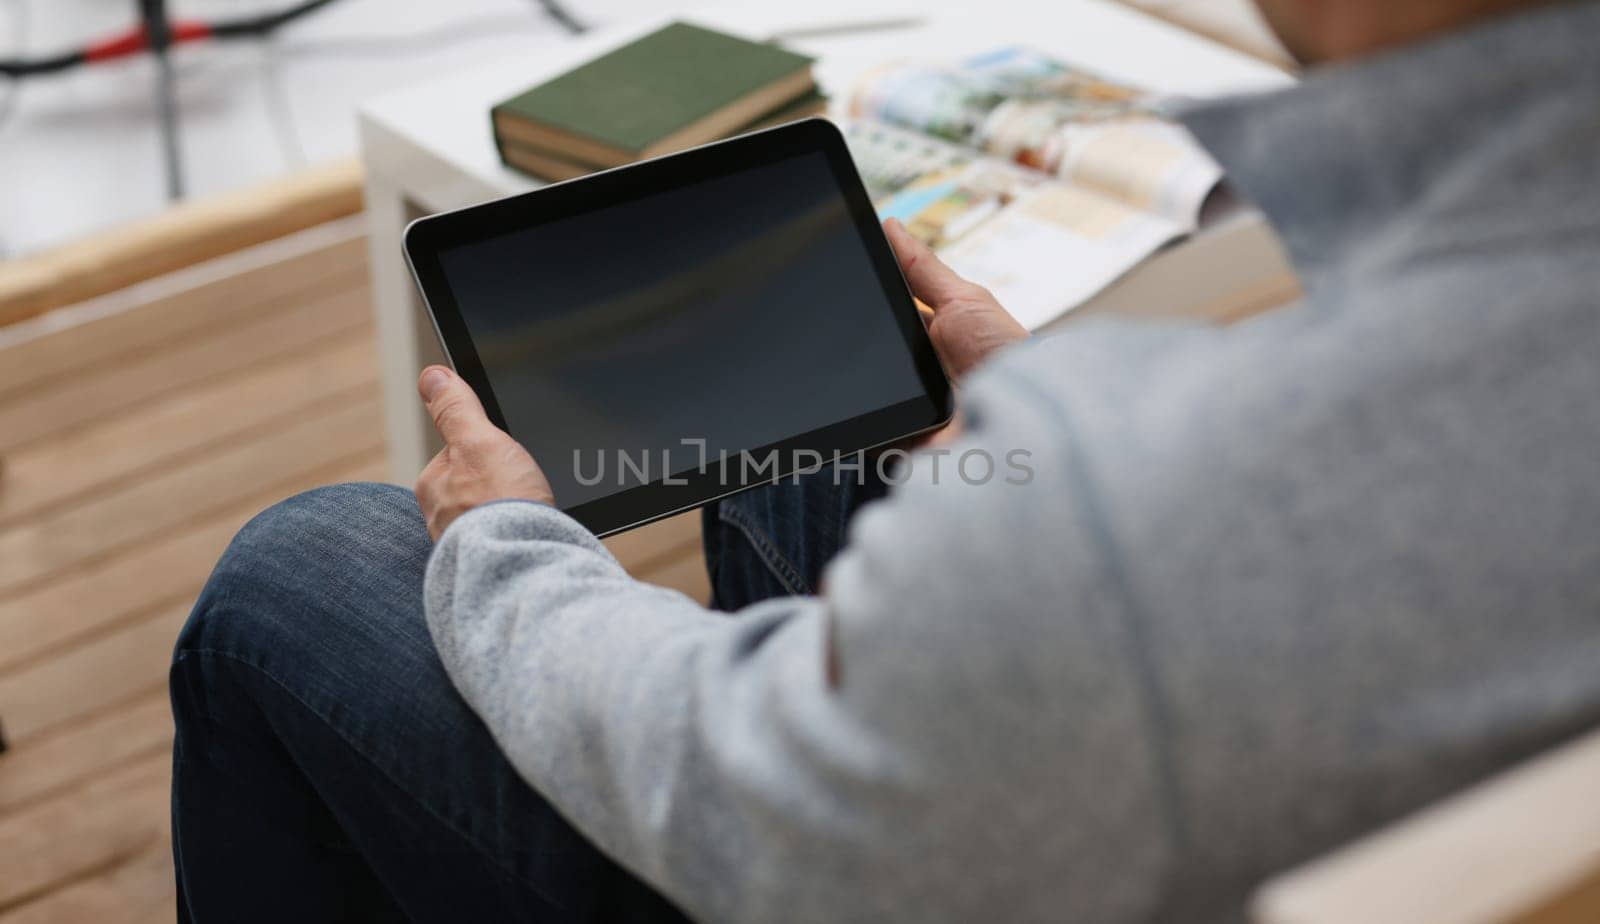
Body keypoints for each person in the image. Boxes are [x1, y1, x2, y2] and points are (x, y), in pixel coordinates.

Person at [169, 0, 1600, 920]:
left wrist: (504, 538)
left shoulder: (1132, 499)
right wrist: (1043, 416)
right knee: (829, 433)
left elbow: (732, 794)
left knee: (304, 568)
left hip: (865, 867)